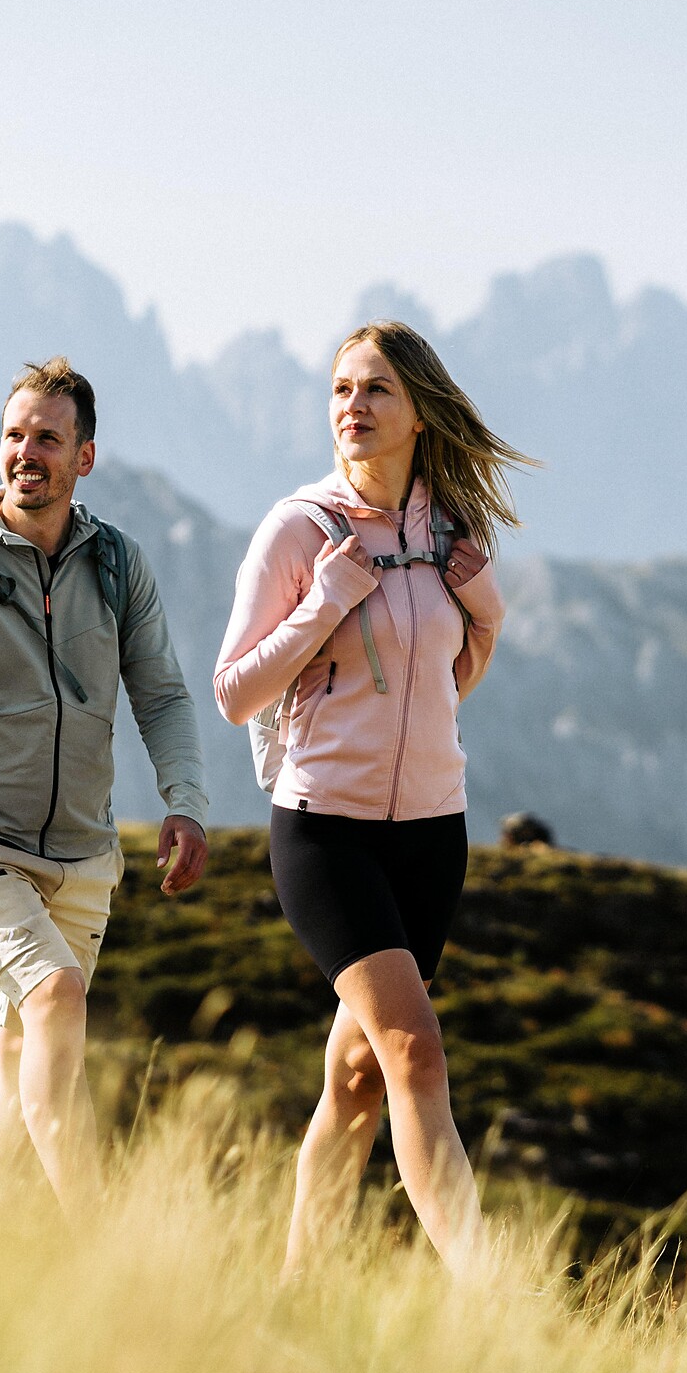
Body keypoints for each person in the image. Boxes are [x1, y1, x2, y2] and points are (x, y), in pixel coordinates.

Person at [213, 321, 527, 1279]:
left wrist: (489, 609)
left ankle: (296, 1291)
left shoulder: (447, 536)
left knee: (355, 1080)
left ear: (420, 411)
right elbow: (234, 691)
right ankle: (496, 1303)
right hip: (326, 834)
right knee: (416, 1055)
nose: (352, 405)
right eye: (342, 389)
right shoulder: (300, 529)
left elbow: (453, 672)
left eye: (376, 389)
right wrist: (325, 602)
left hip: (434, 835)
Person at [0, 356, 210, 1219]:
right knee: (56, 1000)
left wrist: (185, 803)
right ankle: (98, 1247)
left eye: (48, 439)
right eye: (15, 436)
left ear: (84, 457)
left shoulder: (116, 565)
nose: (28, 453)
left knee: (28, 1051)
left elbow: (163, 692)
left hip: (85, 861)